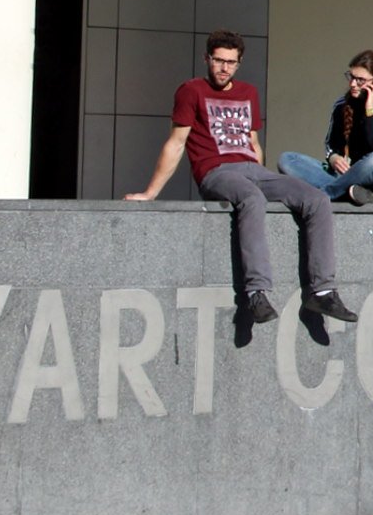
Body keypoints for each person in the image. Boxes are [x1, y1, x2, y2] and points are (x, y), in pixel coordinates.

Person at [127, 29, 357, 326]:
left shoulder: (248, 92)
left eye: (231, 62)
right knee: (251, 198)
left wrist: (260, 171)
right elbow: (176, 143)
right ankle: (256, 292)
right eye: (218, 61)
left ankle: (323, 291)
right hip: (216, 172)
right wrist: (150, 193)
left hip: (253, 169)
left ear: (239, 63)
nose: (224, 68)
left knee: (316, 199)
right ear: (206, 58)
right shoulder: (191, 90)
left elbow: (253, 142)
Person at [280, 51, 373, 205]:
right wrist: (333, 158)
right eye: (351, 77)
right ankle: (352, 194)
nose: (352, 84)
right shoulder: (342, 105)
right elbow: (331, 145)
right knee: (288, 159)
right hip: (353, 180)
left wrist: (370, 110)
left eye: (360, 80)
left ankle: (326, 194)